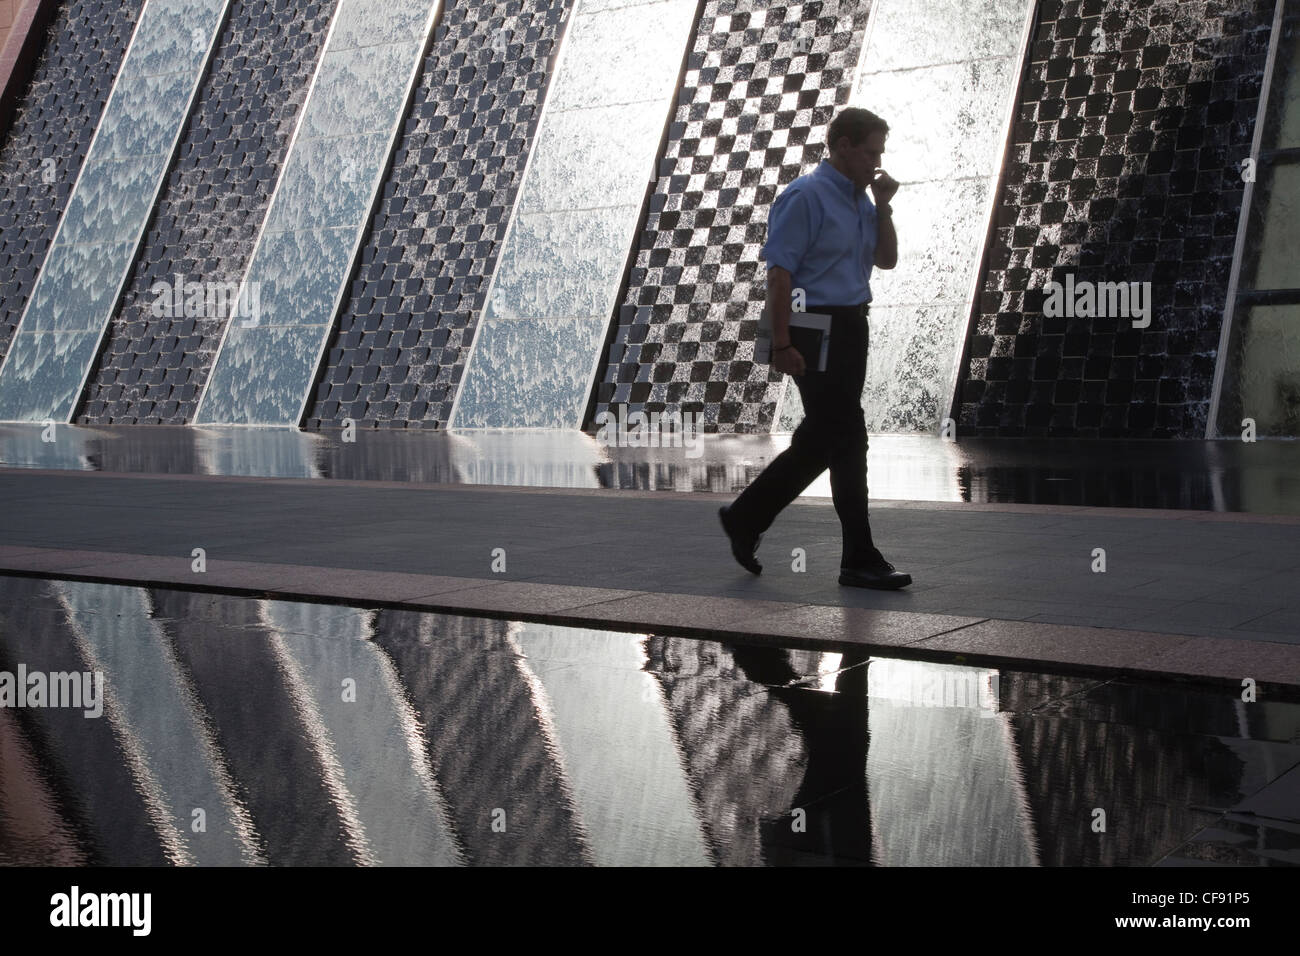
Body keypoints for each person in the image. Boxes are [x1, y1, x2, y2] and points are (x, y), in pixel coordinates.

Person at [718, 107, 911, 589]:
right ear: (842, 146)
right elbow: (779, 274)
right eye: (870, 151)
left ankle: (749, 516)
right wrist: (781, 342)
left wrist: (883, 205)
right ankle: (857, 557)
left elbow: (885, 261)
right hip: (812, 325)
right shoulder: (805, 196)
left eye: (879, 152)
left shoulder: (862, 201)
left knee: (831, 437)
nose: (876, 160)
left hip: (851, 325)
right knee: (846, 436)